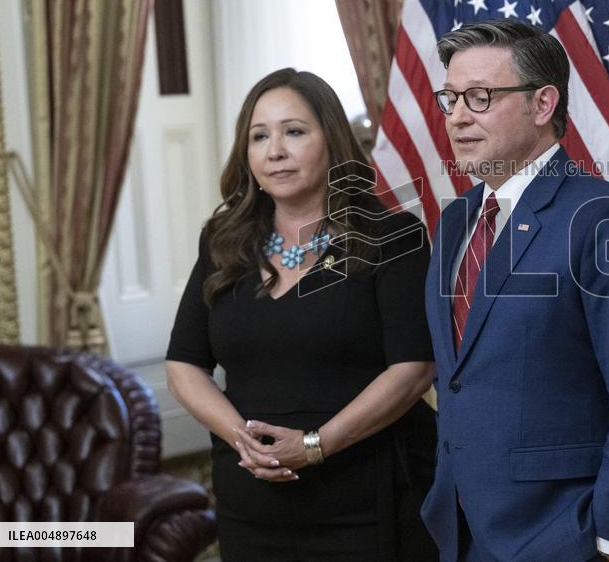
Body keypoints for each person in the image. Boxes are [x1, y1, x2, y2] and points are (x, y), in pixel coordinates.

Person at [420, 19, 609, 562]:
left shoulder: (606, 220)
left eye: (480, 97)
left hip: (572, 539)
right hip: (465, 536)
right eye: (450, 99)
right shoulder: (455, 224)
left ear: (543, 104)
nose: (458, 117)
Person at [165, 68, 438, 561]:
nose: (275, 151)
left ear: (331, 139)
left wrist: (315, 444)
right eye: (259, 136)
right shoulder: (224, 241)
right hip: (252, 507)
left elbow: (414, 369)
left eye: (294, 131)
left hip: (370, 503)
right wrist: (244, 441)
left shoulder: (392, 238)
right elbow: (184, 364)